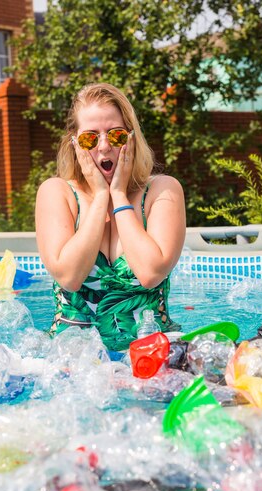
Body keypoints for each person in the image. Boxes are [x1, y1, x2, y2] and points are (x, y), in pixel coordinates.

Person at [35, 82, 186, 351]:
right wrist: (99, 198)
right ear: (75, 143)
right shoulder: (56, 193)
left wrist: (117, 195)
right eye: (90, 138)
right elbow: (69, 277)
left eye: (115, 135)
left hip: (151, 355)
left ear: (131, 137)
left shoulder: (161, 191)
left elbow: (151, 273)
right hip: (73, 360)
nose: (103, 147)